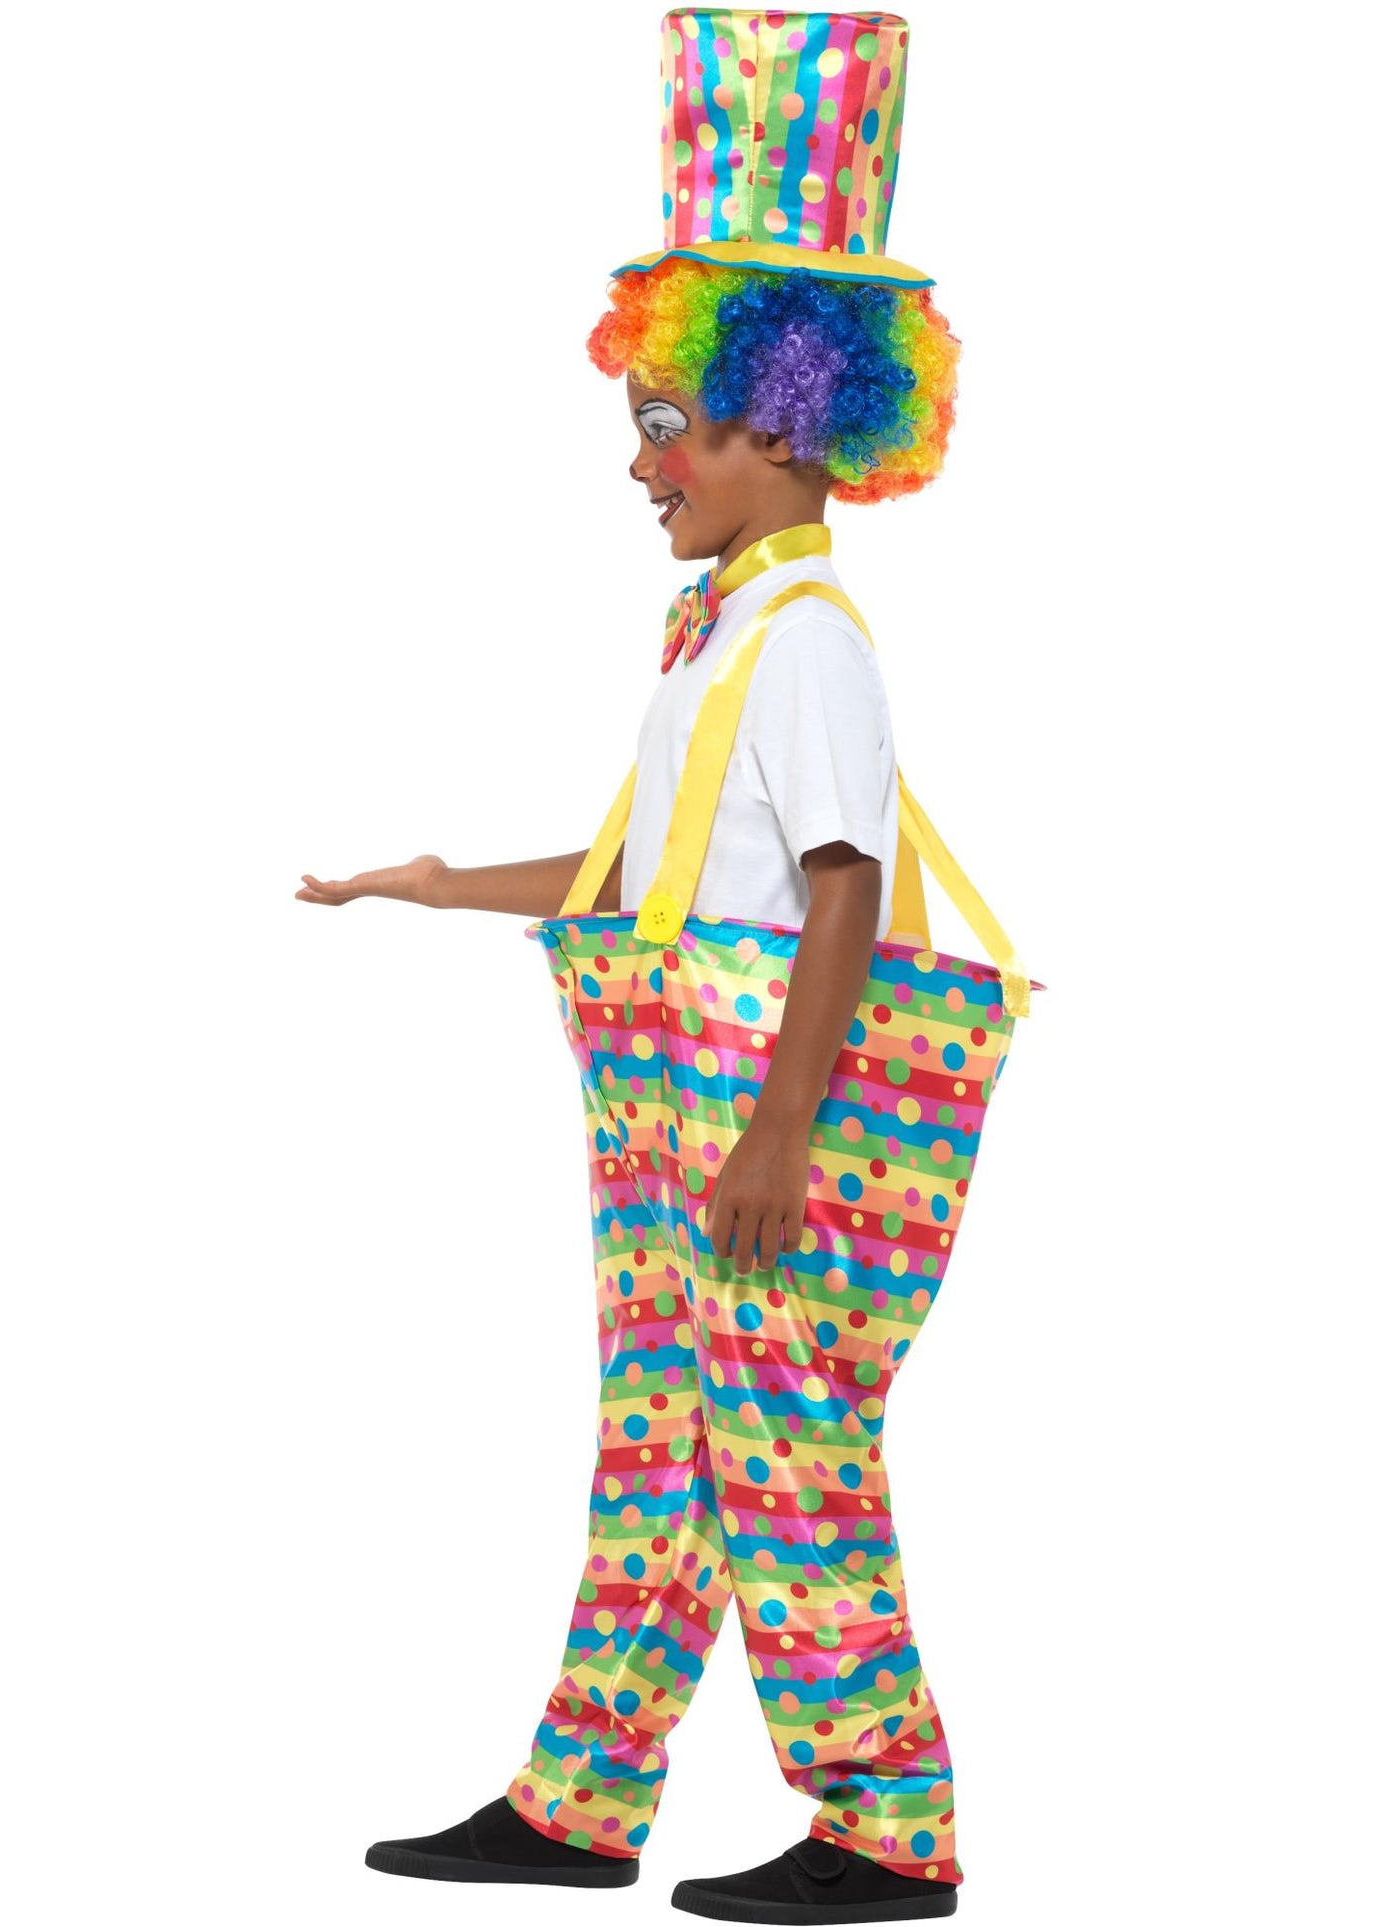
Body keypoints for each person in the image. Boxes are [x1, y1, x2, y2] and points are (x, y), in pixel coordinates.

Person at [301, 12, 1031, 1922]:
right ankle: (580, 1799)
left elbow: (844, 891)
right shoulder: (713, 639)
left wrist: (780, 1135)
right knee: (663, 1456)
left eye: (661, 424)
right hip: (664, 1110)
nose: (638, 465)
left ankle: (887, 1826)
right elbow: (642, 875)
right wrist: (436, 883)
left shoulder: (806, 641)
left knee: (788, 1459)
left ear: (782, 419)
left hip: (761, 1123)